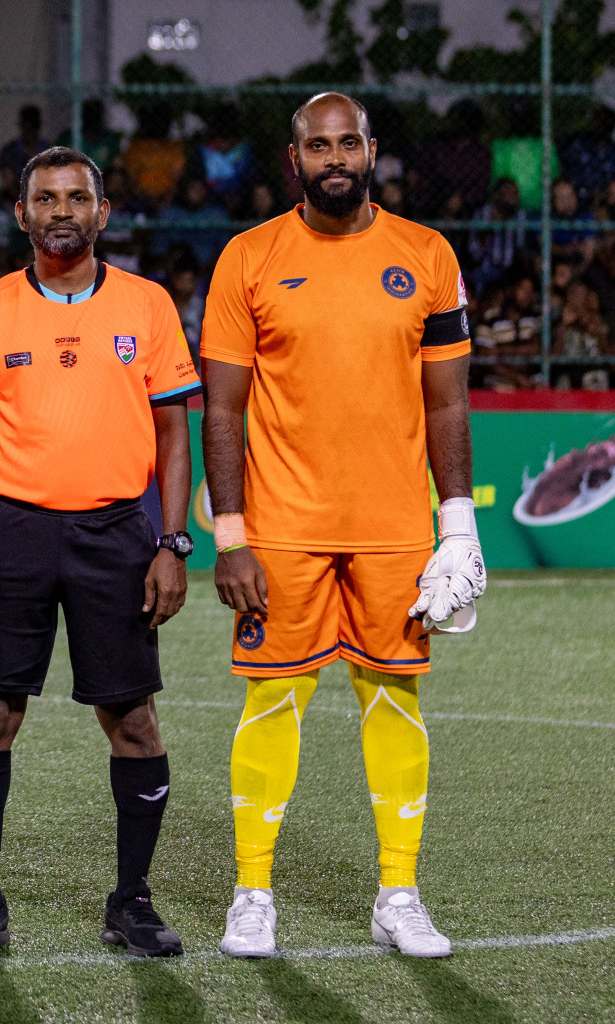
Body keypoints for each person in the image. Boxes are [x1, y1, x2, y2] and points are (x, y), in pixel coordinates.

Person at [201, 92, 481, 961]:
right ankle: (253, 893)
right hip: (281, 527)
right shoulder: (247, 258)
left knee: (394, 696)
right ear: (294, 160)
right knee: (272, 695)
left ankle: (398, 893)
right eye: (316, 145)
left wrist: (460, 526)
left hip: (396, 526)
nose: (333, 158)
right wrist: (232, 535)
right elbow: (220, 409)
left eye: (347, 142)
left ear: (371, 151)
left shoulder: (428, 255)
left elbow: (448, 400)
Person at [0, 146, 201, 960]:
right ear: (20, 215)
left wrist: (172, 541)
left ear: (102, 212)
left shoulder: (148, 305)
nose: (61, 211)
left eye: (76, 198)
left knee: (133, 721)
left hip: (118, 533)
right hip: (11, 531)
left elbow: (172, 432)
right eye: (45, 199)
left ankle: (132, 901)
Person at [0, 105, 49, 203]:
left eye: (33, 126)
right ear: (21, 125)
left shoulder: (47, 149)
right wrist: (24, 202)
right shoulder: (10, 150)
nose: (29, 131)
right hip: (15, 199)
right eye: (26, 126)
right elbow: (8, 182)